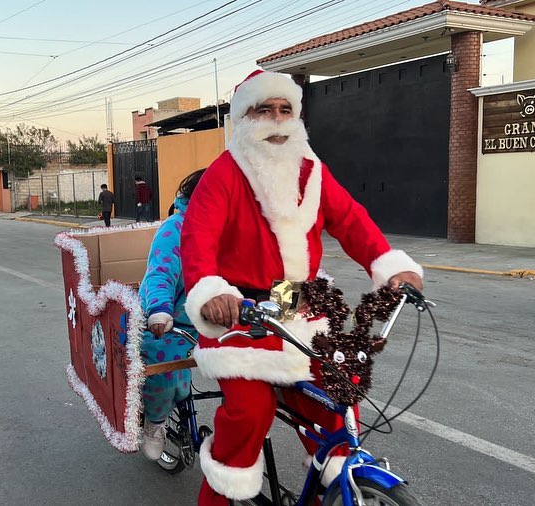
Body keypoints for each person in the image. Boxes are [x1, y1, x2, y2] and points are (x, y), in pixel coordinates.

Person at [180, 70, 424, 505]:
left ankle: (329, 486)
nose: (276, 120)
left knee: (336, 396)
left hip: (301, 308)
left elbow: (351, 221)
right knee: (248, 414)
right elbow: (198, 239)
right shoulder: (225, 173)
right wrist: (212, 292)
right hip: (241, 312)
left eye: (284, 110)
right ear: (244, 118)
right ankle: (217, 496)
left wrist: (390, 268)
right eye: (264, 110)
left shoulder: (312, 170)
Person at [138, 168, 206, 461]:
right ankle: (155, 423)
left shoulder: (240, 229)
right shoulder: (175, 229)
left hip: (217, 324)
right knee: (165, 374)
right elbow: (161, 275)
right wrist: (159, 311)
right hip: (171, 323)